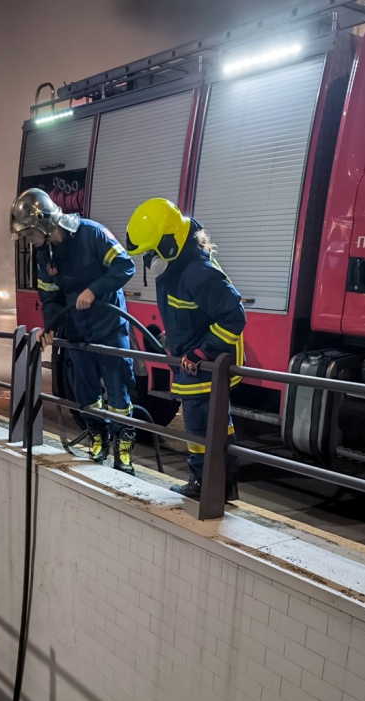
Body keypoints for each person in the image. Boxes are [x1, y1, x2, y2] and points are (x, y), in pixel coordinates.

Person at [10, 188, 138, 474]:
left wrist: (94, 290)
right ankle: (97, 438)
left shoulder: (93, 234)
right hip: (77, 332)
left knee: (118, 392)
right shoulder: (44, 255)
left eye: (28, 233)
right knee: (85, 392)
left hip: (109, 327)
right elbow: (51, 297)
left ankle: (123, 450)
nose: (28, 240)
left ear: (44, 222)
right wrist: (50, 327)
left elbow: (124, 266)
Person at [125, 198, 245, 501]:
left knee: (200, 429)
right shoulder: (179, 265)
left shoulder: (197, 272)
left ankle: (205, 486)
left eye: (152, 252)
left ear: (169, 242)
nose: (149, 260)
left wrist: (202, 352)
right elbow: (191, 311)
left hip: (203, 367)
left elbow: (233, 316)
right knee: (214, 426)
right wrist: (176, 336)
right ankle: (222, 487)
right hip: (196, 363)